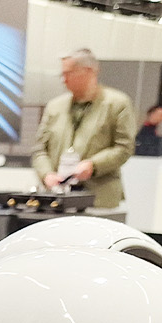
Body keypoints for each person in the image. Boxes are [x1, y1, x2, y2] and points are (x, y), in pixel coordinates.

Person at [31, 48, 136, 208]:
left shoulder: (117, 104)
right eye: (62, 74)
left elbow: (124, 148)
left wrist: (93, 165)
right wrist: (47, 175)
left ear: (90, 71)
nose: (63, 80)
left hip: (98, 198)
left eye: (69, 73)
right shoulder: (54, 107)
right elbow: (39, 149)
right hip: (56, 198)